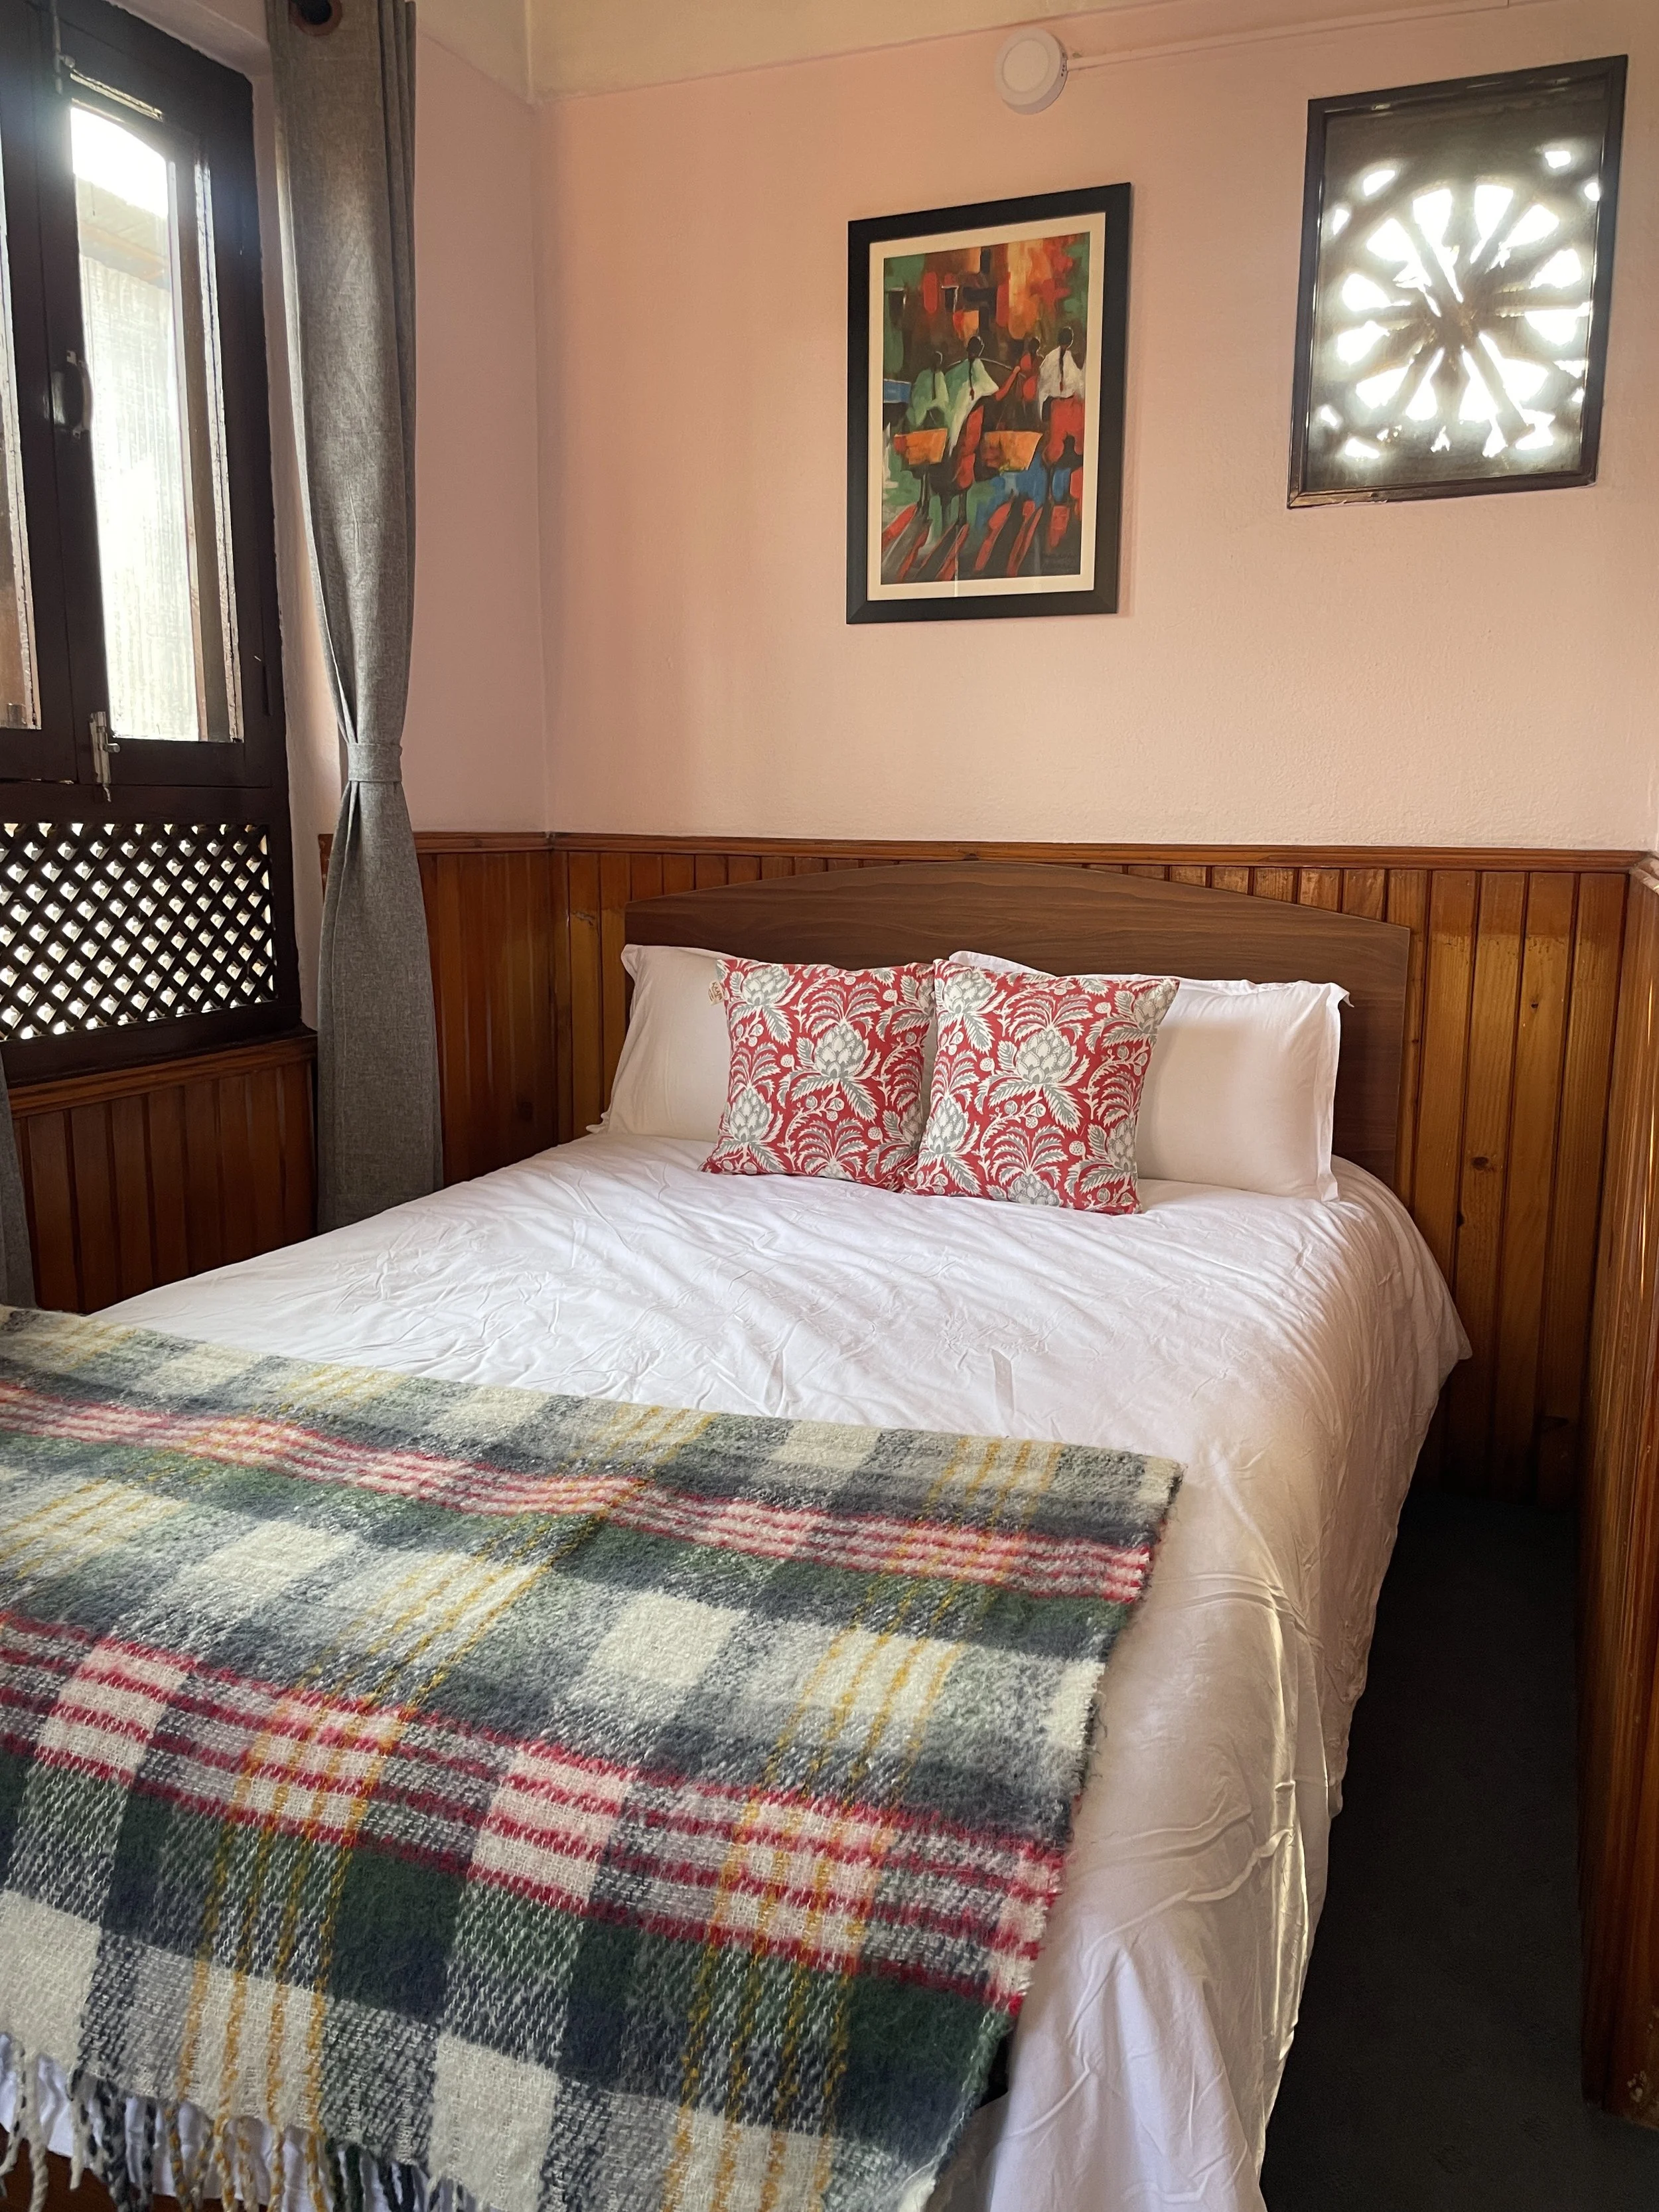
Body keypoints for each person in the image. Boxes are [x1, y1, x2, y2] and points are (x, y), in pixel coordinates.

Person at [1037, 324, 1085, 407]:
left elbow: (1042, 378)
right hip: (1063, 404)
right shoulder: (1069, 358)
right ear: (1071, 342)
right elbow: (1077, 382)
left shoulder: (1050, 357)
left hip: (1050, 402)